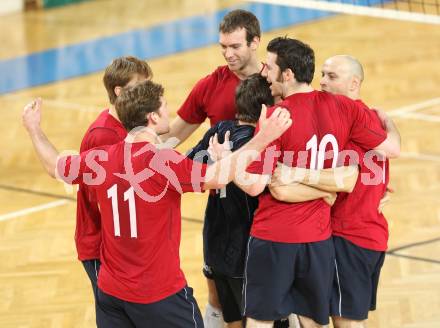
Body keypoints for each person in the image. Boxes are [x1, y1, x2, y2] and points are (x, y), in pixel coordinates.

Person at [22, 80, 292, 328]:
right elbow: (217, 177)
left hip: (111, 293)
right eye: (164, 107)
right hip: (158, 294)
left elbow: (53, 166)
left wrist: (34, 129)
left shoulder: (99, 159)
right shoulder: (162, 161)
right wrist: (263, 137)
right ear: (151, 117)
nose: (168, 111)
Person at [230, 37, 400, 328]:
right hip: (320, 240)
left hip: (276, 236)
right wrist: (341, 187)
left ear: (287, 74)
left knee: (261, 322)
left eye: (269, 67)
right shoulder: (348, 109)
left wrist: (232, 163)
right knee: (315, 322)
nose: (264, 73)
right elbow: (369, 165)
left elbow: (262, 186)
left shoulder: (275, 117)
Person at [163, 9, 267, 327]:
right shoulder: (210, 85)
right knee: (218, 291)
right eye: (223, 46)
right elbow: (175, 133)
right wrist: (140, 157)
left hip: (266, 201)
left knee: (270, 292)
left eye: (235, 46)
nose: (227, 53)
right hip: (223, 202)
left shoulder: (275, 81)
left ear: (255, 42)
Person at [76, 56, 152, 311]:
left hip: (114, 244)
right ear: (120, 91)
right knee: (117, 316)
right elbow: (108, 200)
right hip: (101, 246)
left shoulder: (122, 126)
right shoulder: (105, 136)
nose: (148, 94)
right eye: (141, 87)